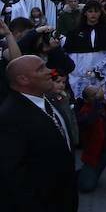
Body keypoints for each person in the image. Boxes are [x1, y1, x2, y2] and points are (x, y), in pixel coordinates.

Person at [0, 55, 78, 212]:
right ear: (23, 79)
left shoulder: (46, 99)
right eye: (41, 68)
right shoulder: (9, 116)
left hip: (64, 196)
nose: (50, 71)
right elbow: (13, 175)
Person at [65, 0, 106, 100]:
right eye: (90, 11)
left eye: (96, 11)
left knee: (101, 103)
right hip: (80, 75)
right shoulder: (75, 32)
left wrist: (98, 71)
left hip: (101, 76)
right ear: (85, 13)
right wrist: (78, 73)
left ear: (100, 13)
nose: (93, 14)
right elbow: (70, 55)